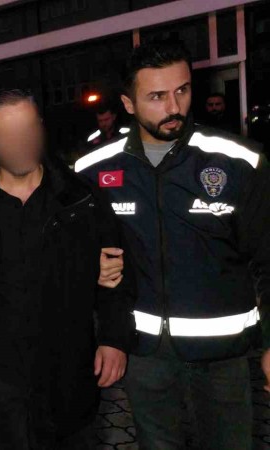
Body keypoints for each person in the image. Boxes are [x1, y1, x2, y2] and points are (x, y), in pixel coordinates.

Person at [75, 40, 270, 450]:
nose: (174, 106)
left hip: (223, 353)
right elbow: (67, 247)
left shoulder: (239, 162)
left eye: (182, 90)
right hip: (144, 353)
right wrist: (88, 265)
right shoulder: (93, 169)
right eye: (157, 96)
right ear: (128, 103)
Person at [0, 89, 136, 449]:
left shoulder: (81, 199)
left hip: (68, 381)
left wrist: (114, 338)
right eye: (8, 134)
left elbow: (115, 271)